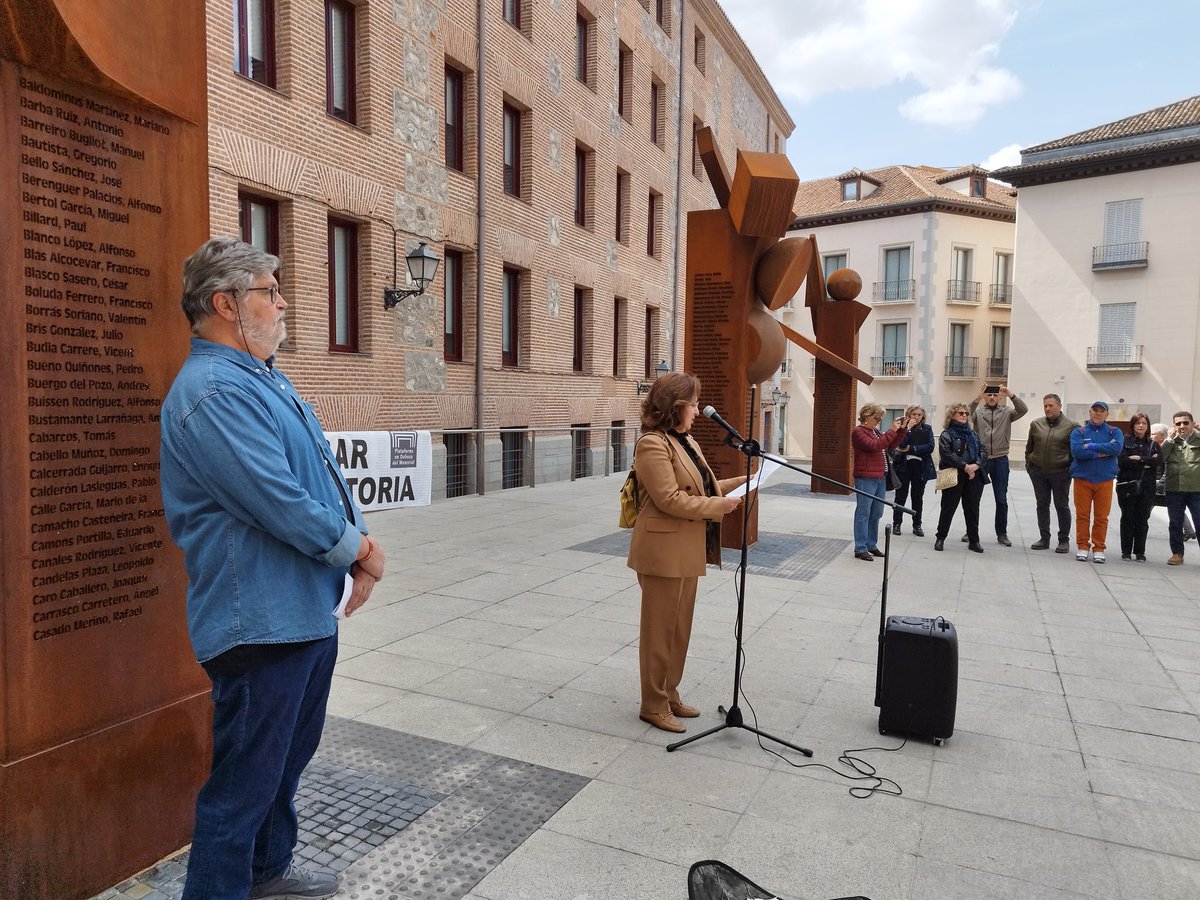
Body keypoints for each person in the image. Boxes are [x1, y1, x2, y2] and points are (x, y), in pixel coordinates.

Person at [161, 238, 385, 900]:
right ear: (227, 303)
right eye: (270, 290)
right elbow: (278, 500)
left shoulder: (261, 375)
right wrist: (362, 551)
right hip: (257, 624)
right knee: (242, 787)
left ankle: (266, 875)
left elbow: (322, 476)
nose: (283, 302)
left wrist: (358, 544)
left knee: (283, 765)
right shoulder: (210, 391)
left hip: (302, 612)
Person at [626, 372, 744, 733]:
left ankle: (669, 691)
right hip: (662, 551)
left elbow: (700, 487)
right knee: (659, 631)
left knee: (679, 629)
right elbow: (669, 499)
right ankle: (653, 703)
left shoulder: (684, 440)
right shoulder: (652, 444)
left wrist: (740, 483)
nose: (697, 410)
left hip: (686, 549)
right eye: (692, 404)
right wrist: (718, 507)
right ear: (675, 406)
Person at [968, 385, 1028, 546]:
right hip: (981, 459)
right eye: (988, 395)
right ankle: (970, 531)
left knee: (1001, 499)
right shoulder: (979, 412)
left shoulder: (1007, 412)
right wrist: (977, 397)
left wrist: (1011, 394)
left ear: (1000, 397)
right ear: (985, 397)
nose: (992, 397)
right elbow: (966, 414)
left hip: (1001, 459)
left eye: (995, 395)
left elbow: (1023, 410)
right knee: (975, 498)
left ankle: (1002, 533)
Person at [850, 403, 908, 561]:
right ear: (867, 415)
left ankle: (871, 545)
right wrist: (892, 430)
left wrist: (902, 430)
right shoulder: (858, 432)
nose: (878, 421)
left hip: (880, 476)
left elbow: (890, 446)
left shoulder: (875, 431)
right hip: (866, 477)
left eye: (880, 418)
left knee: (876, 513)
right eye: (876, 418)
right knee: (863, 513)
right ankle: (860, 548)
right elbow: (875, 446)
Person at [1069, 401, 1124, 563]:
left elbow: (1116, 449)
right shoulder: (1078, 431)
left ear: (1107, 414)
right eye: (1095, 410)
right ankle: (1082, 546)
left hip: (1105, 480)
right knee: (1082, 515)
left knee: (1101, 517)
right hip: (1082, 479)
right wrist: (1100, 453)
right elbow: (1077, 451)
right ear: (1089, 412)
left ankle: (1099, 547)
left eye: (1101, 411)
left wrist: (1091, 445)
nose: (1097, 413)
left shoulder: (1115, 432)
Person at [1025, 394, 1078, 553]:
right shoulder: (1036, 424)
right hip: (1038, 472)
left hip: (1060, 472)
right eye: (1045, 406)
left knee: (1061, 506)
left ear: (1059, 406)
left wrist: (1069, 469)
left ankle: (1063, 540)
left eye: (1051, 405)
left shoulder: (1072, 426)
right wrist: (1030, 466)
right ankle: (1044, 538)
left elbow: (1075, 451)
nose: (1047, 408)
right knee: (1042, 505)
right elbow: (1029, 448)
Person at [934, 404, 987, 553]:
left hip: (973, 476)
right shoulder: (947, 434)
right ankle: (940, 538)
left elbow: (983, 451)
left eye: (966, 413)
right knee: (948, 508)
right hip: (955, 474)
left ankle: (974, 540)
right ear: (952, 416)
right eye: (960, 413)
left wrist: (976, 465)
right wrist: (965, 466)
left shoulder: (973, 434)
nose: (964, 415)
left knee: (972, 509)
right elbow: (947, 454)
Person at [1116, 413, 1161, 561]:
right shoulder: (1125, 441)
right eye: (1137, 423)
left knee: (1143, 519)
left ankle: (1140, 552)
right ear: (1133, 425)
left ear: (1147, 426)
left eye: (1144, 423)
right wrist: (1147, 462)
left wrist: (1139, 458)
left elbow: (1159, 462)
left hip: (1147, 486)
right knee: (1128, 517)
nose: (1141, 425)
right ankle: (1126, 551)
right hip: (1128, 485)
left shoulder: (1154, 444)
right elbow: (1122, 461)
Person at [1160, 411, 1200, 566]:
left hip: (1196, 489)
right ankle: (1177, 554)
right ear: (1174, 425)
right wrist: (1169, 439)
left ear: (1192, 423)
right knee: (1175, 523)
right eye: (1178, 423)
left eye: (1185, 423)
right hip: (1174, 489)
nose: (1182, 426)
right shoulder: (1171, 442)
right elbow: (1160, 457)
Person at [890, 405, 935, 537]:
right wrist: (907, 428)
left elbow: (930, 447)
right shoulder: (902, 429)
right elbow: (901, 444)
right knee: (900, 496)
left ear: (923, 416)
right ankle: (896, 524)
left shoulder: (927, 429)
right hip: (904, 467)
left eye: (919, 415)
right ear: (908, 415)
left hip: (920, 467)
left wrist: (912, 448)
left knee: (917, 497)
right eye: (914, 414)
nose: (916, 417)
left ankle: (917, 525)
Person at [1152, 422, 1195, 539]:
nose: (1151, 436)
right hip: (1162, 483)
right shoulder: (1157, 446)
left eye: (1153, 434)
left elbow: (1167, 469)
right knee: (1173, 507)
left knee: (1172, 507)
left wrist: (1160, 484)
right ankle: (1189, 530)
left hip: (1165, 484)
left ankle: (1189, 530)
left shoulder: (1169, 445)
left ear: (1161, 435)